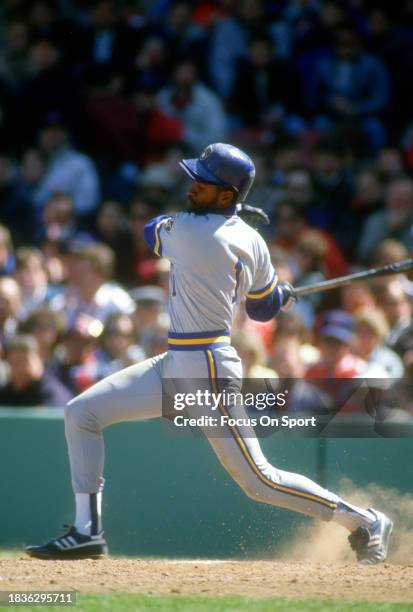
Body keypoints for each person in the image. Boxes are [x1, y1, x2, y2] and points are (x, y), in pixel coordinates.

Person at [26, 143, 392, 564]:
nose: (192, 187)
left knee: (259, 481)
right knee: (81, 413)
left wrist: (257, 269)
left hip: (207, 369)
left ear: (227, 194)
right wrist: (280, 292)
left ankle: (364, 521)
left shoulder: (188, 229)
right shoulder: (250, 240)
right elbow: (262, 306)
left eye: (204, 183)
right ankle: (87, 531)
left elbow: (150, 231)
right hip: (177, 361)